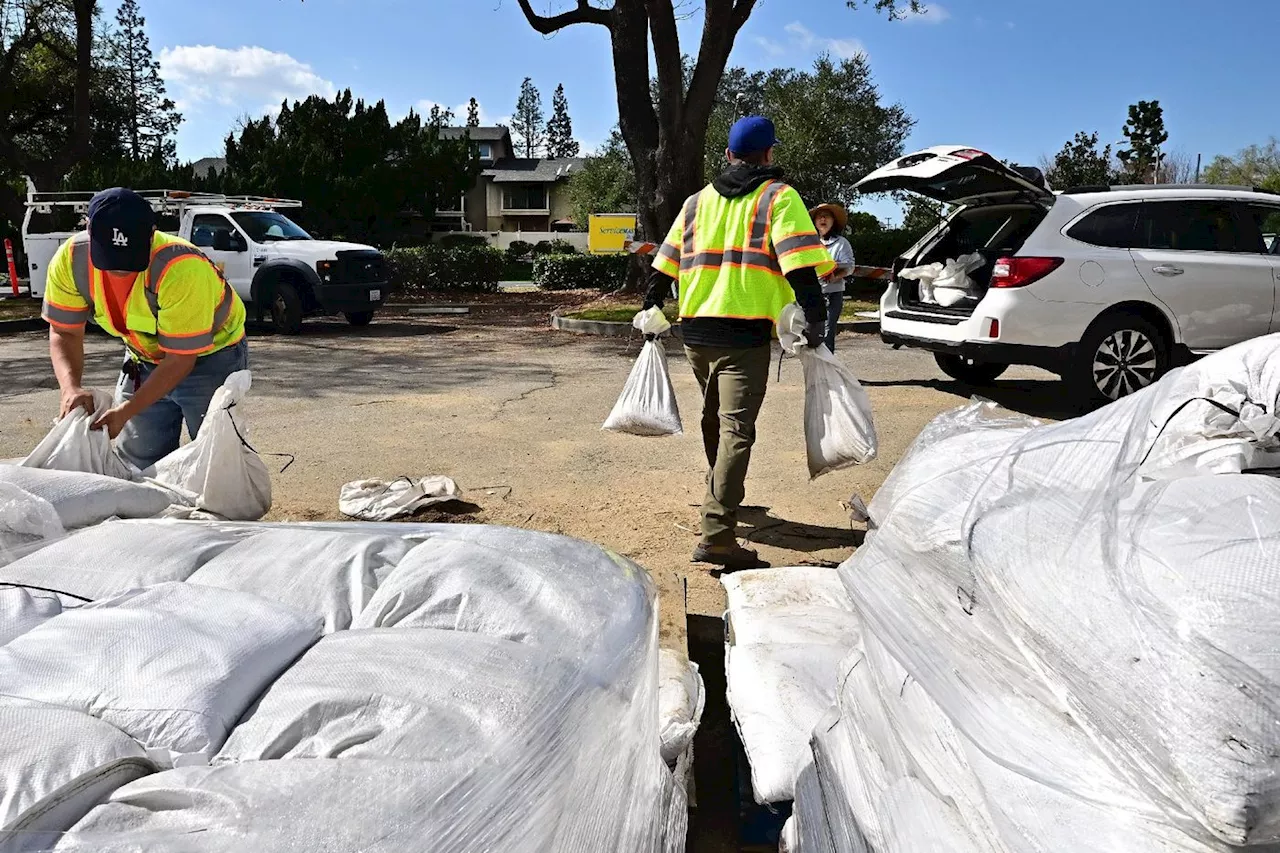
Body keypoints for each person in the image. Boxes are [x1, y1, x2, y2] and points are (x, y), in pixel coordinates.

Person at [643, 116, 835, 571]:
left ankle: (721, 501)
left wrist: (651, 304)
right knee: (736, 431)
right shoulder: (778, 197)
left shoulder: (696, 202)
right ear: (769, 155)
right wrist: (817, 319)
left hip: (695, 332)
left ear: (728, 155)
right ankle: (718, 536)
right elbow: (801, 267)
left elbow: (664, 265)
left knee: (715, 419)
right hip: (743, 334)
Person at [41, 187, 249, 471]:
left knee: (215, 454)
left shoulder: (181, 268)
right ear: (88, 230)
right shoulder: (71, 261)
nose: (119, 269)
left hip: (211, 356)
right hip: (143, 359)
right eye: (109, 255)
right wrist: (70, 388)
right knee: (140, 460)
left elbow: (180, 358)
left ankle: (224, 512)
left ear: (152, 234)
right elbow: (64, 332)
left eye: (129, 257)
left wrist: (126, 411)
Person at [809, 203, 855, 353]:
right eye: (819, 216)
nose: (823, 218)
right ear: (814, 221)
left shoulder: (842, 243)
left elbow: (850, 266)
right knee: (811, 332)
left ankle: (828, 371)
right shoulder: (810, 244)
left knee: (828, 333)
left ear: (833, 221)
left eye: (826, 216)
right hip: (812, 294)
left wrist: (836, 275)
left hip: (833, 294)